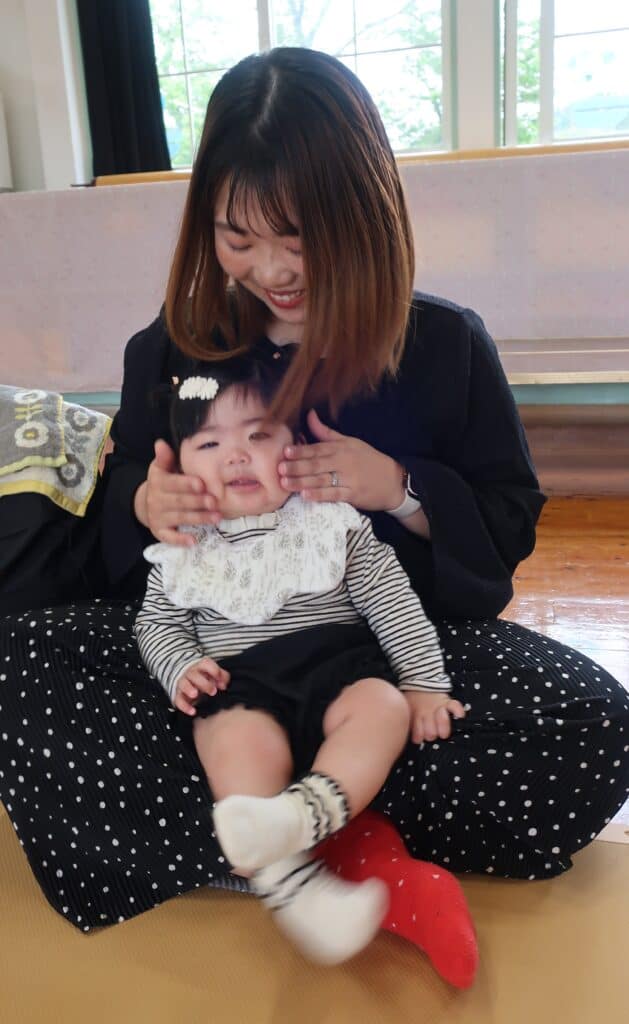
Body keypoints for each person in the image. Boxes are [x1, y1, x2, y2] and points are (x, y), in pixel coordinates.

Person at [1, 47, 627, 968]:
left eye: (298, 237)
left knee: (589, 723)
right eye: (237, 238)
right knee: (22, 660)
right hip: (219, 670)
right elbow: (126, 525)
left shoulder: (442, 344)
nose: (271, 270)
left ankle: (276, 836)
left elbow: (503, 527)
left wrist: (399, 488)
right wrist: (146, 500)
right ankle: (331, 837)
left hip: (382, 660)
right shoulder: (171, 350)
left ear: (363, 213)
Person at [134, 354, 468, 965]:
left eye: (259, 436)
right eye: (209, 443)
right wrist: (180, 666)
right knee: (228, 739)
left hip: (337, 673)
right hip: (241, 685)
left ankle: (300, 818)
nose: (237, 456)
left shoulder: (330, 524)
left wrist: (424, 683)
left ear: (297, 448)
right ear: (178, 469)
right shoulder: (181, 547)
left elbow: (392, 602)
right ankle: (289, 880)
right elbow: (156, 623)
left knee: (384, 706)